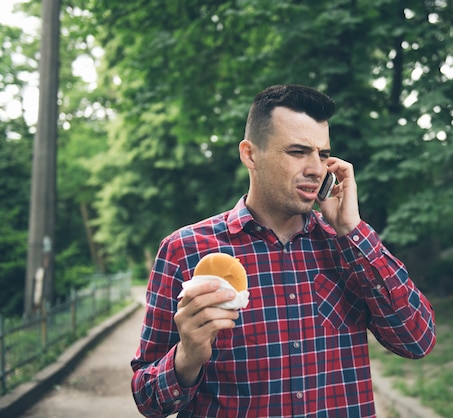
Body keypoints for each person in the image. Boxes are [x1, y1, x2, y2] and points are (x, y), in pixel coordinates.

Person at [131, 84, 436, 417]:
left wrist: (353, 230)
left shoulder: (347, 246)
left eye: (322, 154)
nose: (316, 169)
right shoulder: (185, 250)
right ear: (250, 154)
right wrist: (187, 357)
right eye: (297, 152)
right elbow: (147, 400)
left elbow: (417, 340)